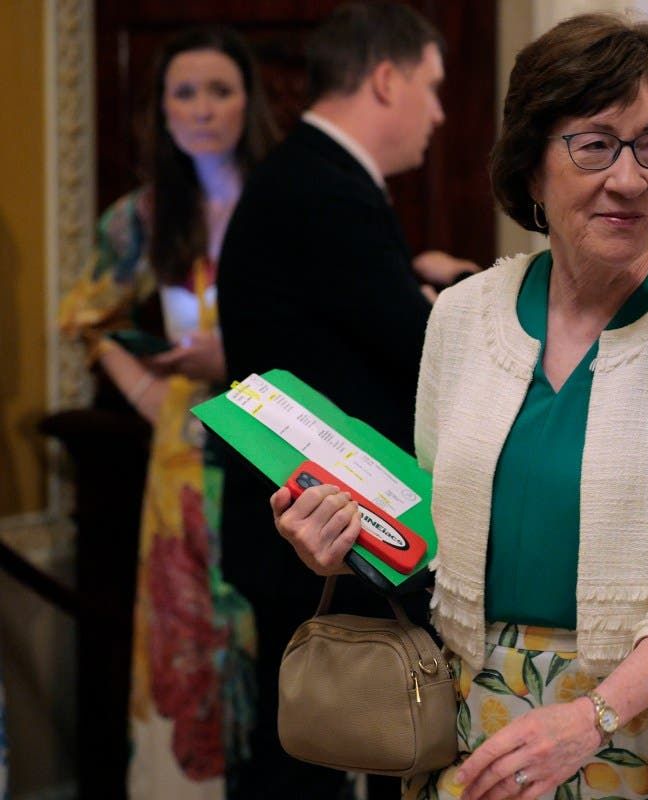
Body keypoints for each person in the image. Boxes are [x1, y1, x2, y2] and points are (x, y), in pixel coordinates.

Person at [273, 12, 648, 800]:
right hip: (469, 728)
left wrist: (589, 720)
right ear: (533, 167)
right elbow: (432, 544)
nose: (629, 178)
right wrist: (341, 546)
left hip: (644, 735)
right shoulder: (463, 317)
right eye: (595, 144)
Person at [216, 4, 475, 797]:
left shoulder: (307, 175)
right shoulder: (327, 188)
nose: (439, 112)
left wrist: (415, 280)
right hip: (316, 532)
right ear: (386, 79)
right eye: (432, 86)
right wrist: (466, 297)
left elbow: (345, 321)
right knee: (311, 763)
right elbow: (420, 349)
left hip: (307, 520)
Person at [58, 26, 277, 798]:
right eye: (184, 93)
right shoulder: (147, 214)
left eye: (220, 90)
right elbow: (86, 317)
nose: (202, 109)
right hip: (183, 448)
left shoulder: (283, 199)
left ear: (248, 101)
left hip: (278, 429)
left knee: (270, 618)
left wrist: (238, 355)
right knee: (186, 624)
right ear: (162, 108)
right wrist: (147, 392)